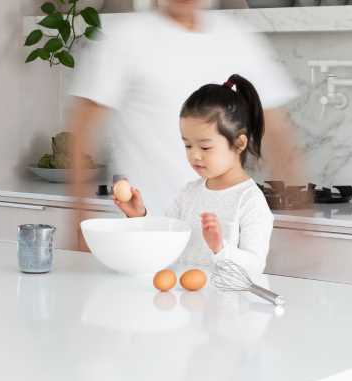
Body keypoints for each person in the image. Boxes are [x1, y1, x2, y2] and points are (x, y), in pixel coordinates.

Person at [67, 0, 300, 237]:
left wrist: (304, 221)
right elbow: (81, 132)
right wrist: (78, 225)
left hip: (223, 239)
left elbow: (278, 133)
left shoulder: (238, 40)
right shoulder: (126, 39)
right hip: (145, 235)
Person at [110, 75, 276, 274]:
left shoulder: (250, 201)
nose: (194, 155)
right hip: (181, 299)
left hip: (226, 303)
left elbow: (255, 267)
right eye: (188, 145)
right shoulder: (189, 193)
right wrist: (138, 216)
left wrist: (220, 248)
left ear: (239, 144)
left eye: (205, 147)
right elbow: (164, 240)